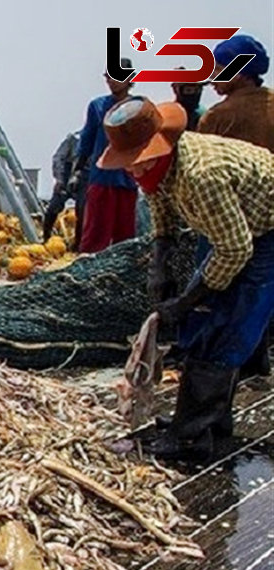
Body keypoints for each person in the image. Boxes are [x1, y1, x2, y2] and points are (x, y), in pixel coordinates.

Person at [97, 96, 274, 458]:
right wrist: (159, 262)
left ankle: (194, 435)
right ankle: (201, 421)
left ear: (158, 150)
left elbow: (237, 250)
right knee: (203, 321)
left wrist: (187, 300)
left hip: (265, 230)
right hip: (231, 226)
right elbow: (161, 206)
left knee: (228, 324)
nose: (133, 171)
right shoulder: (159, 170)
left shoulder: (200, 176)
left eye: (137, 164)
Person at [193, 35, 273, 379]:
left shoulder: (217, 118)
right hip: (270, 222)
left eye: (220, 68)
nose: (212, 76)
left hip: (226, 221)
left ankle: (213, 379)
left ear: (241, 72)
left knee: (217, 298)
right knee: (257, 301)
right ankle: (254, 362)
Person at [70, 58, 138, 254]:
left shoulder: (138, 107)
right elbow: (87, 141)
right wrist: (77, 172)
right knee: (95, 235)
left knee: (125, 238)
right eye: (109, 77)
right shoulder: (97, 106)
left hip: (128, 179)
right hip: (101, 178)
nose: (112, 81)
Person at [40, 130, 83, 243]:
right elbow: (58, 158)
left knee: (83, 211)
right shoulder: (74, 138)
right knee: (54, 207)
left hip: (84, 178)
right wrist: (59, 179)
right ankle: (46, 237)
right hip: (66, 176)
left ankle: (78, 244)